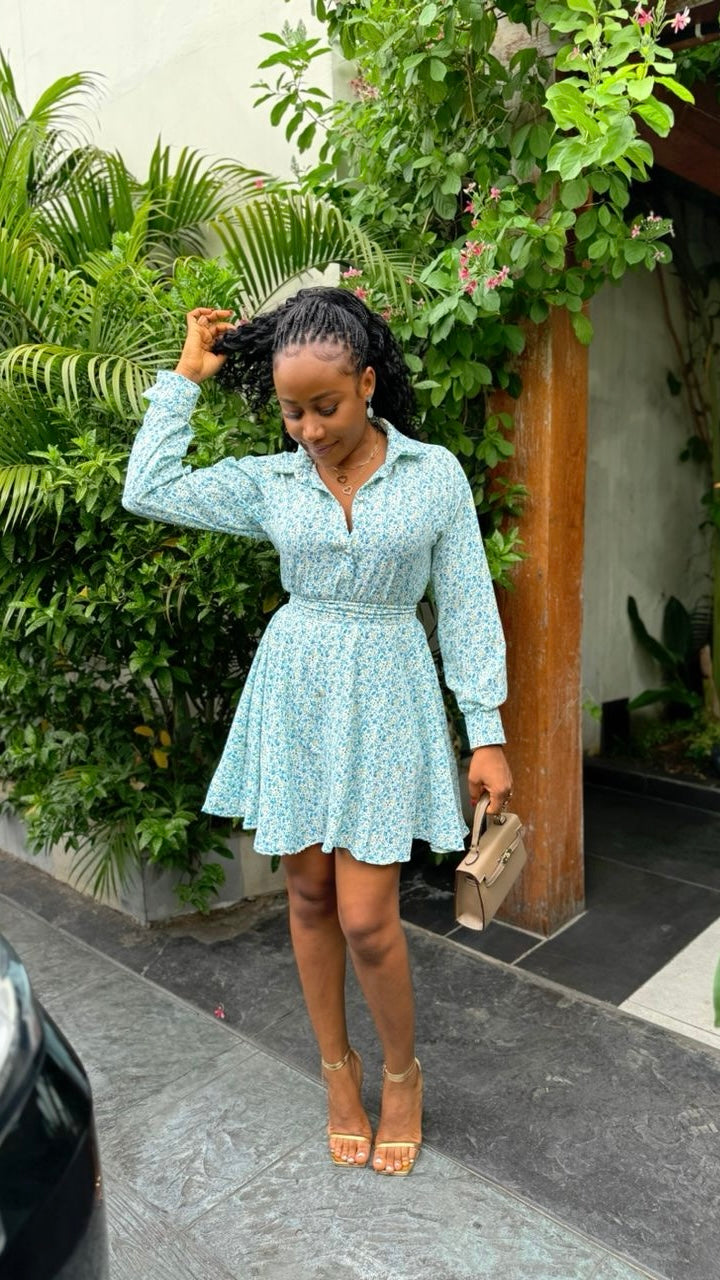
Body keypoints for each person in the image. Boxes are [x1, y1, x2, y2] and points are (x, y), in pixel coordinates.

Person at [122, 285, 512, 1177]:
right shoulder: (273, 481)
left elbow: (465, 606)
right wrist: (185, 380)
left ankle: (402, 1074)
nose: (307, 429)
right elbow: (148, 489)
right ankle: (338, 1072)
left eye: (326, 407)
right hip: (296, 691)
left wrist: (485, 730)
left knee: (369, 919)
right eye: (292, 411)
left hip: (387, 695)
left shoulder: (434, 476)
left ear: (368, 382)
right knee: (305, 897)